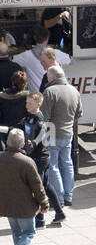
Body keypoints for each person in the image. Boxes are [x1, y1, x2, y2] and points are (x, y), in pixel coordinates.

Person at [1, 129, 46, 245]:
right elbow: (37, 186)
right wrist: (44, 202)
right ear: (22, 145)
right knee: (28, 233)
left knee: (17, 233)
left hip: (7, 205)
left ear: (7, 142)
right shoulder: (27, 162)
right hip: (25, 206)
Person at [19, 92, 62, 229]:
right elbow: (18, 127)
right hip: (38, 157)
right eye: (26, 102)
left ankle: (40, 219)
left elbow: (43, 132)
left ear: (38, 104)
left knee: (38, 187)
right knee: (46, 185)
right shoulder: (28, 116)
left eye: (30, 103)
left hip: (40, 158)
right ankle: (59, 213)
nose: (27, 105)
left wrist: (34, 143)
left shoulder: (39, 118)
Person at [39, 66, 80, 210]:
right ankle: (69, 196)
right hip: (68, 133)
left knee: (53, 166)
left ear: (51, 77)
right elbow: (79, 113)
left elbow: (44, 117)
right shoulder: (74, 90)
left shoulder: (50, 92)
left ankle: (59, 198)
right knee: (67, 163)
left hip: (53, 134)